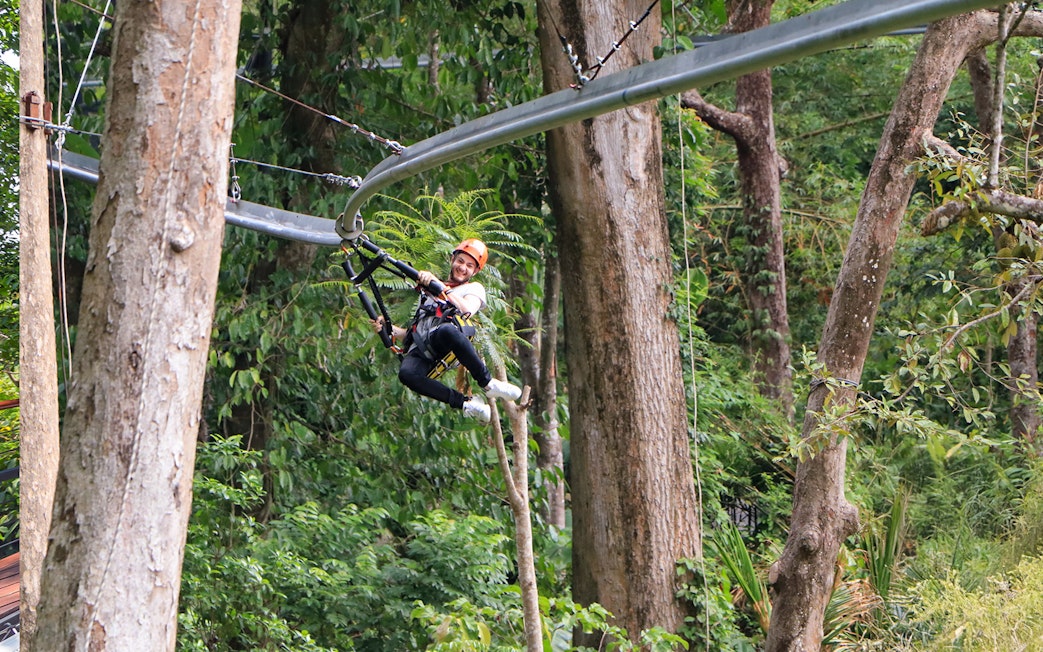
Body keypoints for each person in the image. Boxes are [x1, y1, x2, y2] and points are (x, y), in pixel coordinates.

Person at [371, 238, 521, 423]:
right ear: (452, 260)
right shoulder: (430, 291)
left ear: (474, 271)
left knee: (447, 331)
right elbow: (415, 332)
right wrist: (389, 329)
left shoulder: (473, 288)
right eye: (460, 261)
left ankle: (487, 383)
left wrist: (439, 287)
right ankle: (467, 404)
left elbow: (467, 309)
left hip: (448, 339)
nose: (462, 267)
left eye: (469, 265)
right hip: (424, 346)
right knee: (406, 374)